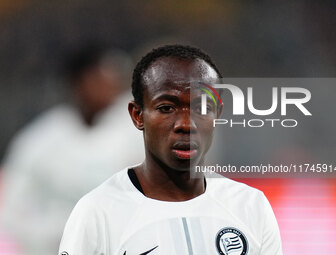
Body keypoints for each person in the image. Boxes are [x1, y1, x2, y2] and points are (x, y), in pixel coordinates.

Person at [59, 45, 282, 255]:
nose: (186, 124)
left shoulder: (251, 207)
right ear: (138, 115)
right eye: (166, 108)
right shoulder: (98, 212)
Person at [0, 44, 144, 255]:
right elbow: (13, 210)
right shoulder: (41, 140)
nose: (109, 88)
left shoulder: (136, 132)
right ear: (78, 82)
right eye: (100, 79)